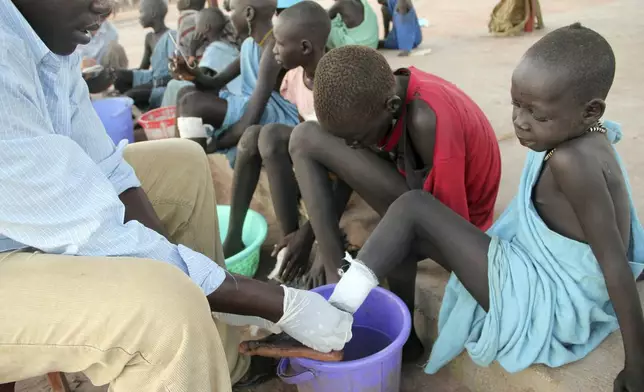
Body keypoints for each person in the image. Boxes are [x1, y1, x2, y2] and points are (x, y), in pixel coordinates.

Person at [0, 1, 353, 391]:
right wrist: (277, 302)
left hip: (35, 213)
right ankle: (185, 348)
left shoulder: (48, 36)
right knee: (165, 312)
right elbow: (93, 230)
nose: (106, 8)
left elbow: (107, 168)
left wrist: (198, 275)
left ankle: (225, 364)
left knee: (184, 161)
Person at [327, 24, 644, 391]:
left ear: (591, 111)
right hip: (542, 274)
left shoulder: (572, 162)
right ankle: (401, 336)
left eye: (537, 115)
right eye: (516, 105)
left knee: (412, 207)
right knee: (404, 224)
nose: (520, 122)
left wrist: (636, 364)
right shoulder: (581, 136)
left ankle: (333, 313)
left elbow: (615, 265)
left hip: (553, 304)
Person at [287, 45, 501, 359]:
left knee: (399, 219)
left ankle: (354, 295)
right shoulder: (382, 102)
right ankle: (338, 275)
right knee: (306, 137)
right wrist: (314, 235)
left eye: (357, 140)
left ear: (392, 106)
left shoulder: (425, 119)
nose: (351, 148)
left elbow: (446, 218)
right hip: (419, 194)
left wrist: (377, 251)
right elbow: (354, 168)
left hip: (458, 217)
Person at [222, 1, 329, 260]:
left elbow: (342, 147)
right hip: (308, 154)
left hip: (332, 162)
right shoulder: (294, 79)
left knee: (269, 136)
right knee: (251, 138)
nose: (273, 50)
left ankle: (290, 238)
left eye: (279, 44)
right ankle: (233, 237)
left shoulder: (332, 82)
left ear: (304, 47)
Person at [176, 0, 299, 167]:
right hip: (253, 106)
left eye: (232, 10)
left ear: (249, 14)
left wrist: (217, 143)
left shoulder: (273, 48)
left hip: (275, 116)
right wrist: (192, 74)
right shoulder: (250, 44)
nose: (229, 17)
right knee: (184, 92)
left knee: (190, 103)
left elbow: (250, 118)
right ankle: (180, 157)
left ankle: (194, 170)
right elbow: (215, 82)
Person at [161, 7, 242, 107]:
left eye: (197, 26)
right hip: (236, 95)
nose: (195, 29)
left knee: (173, 85)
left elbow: (198, 79)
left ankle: (168, 119)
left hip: (234, 99)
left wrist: (192, 52)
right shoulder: (228, 47)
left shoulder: (214, 50)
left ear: (206, 28)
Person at [113, 0, 176, 109]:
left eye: (141, 12)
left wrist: (153, 84)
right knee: (117, 77)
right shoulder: (149, 38)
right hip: (153, 78)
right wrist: (122, 73)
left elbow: (175, 71)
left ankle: (142, 106)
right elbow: (143, 67)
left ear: (153, 13)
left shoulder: (171, 37)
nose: (139, 17)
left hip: (166, 84)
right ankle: (140, 102)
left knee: (130, 95)